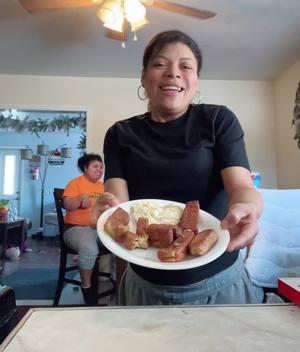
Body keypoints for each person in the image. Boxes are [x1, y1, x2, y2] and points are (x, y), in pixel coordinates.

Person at [90, 30, 264, 305]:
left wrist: (249, 209)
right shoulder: (120, 133)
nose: (173, 73)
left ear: (196, 82)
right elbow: (117, 202)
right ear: (144, 77)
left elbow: (242, 187)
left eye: (185, 66)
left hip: (220, 284)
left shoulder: (218, 120)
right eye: (160, 64)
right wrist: (107, 212)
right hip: (144, 287)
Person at [63, 153, 104, 305]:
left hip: (99, 229)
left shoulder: (103, 186)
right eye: (95, 166)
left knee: (123, 243)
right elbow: (67, 205)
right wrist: (79, 199)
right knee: (89, 248)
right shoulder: (76, 183)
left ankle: (120, 285)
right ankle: (86, 287)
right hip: (76, 228)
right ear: (85, 168)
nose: (99, 170)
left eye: (101, 167)